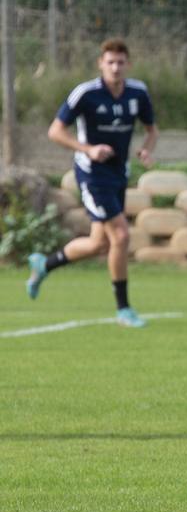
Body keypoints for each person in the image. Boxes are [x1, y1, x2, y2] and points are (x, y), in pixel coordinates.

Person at [26, 38, 158, 328]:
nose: (115, 67)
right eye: (110, 62)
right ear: (101, 63)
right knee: (121, 236)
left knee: (100, 244)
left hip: (118, 174)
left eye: (120, 62)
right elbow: (55, 131)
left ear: (128, 64)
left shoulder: (137, 92)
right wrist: (88, 149)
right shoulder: (85, 94)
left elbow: (152, 129)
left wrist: (147, 148)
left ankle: (44, 264)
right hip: (92, 174)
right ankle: (123, 308)